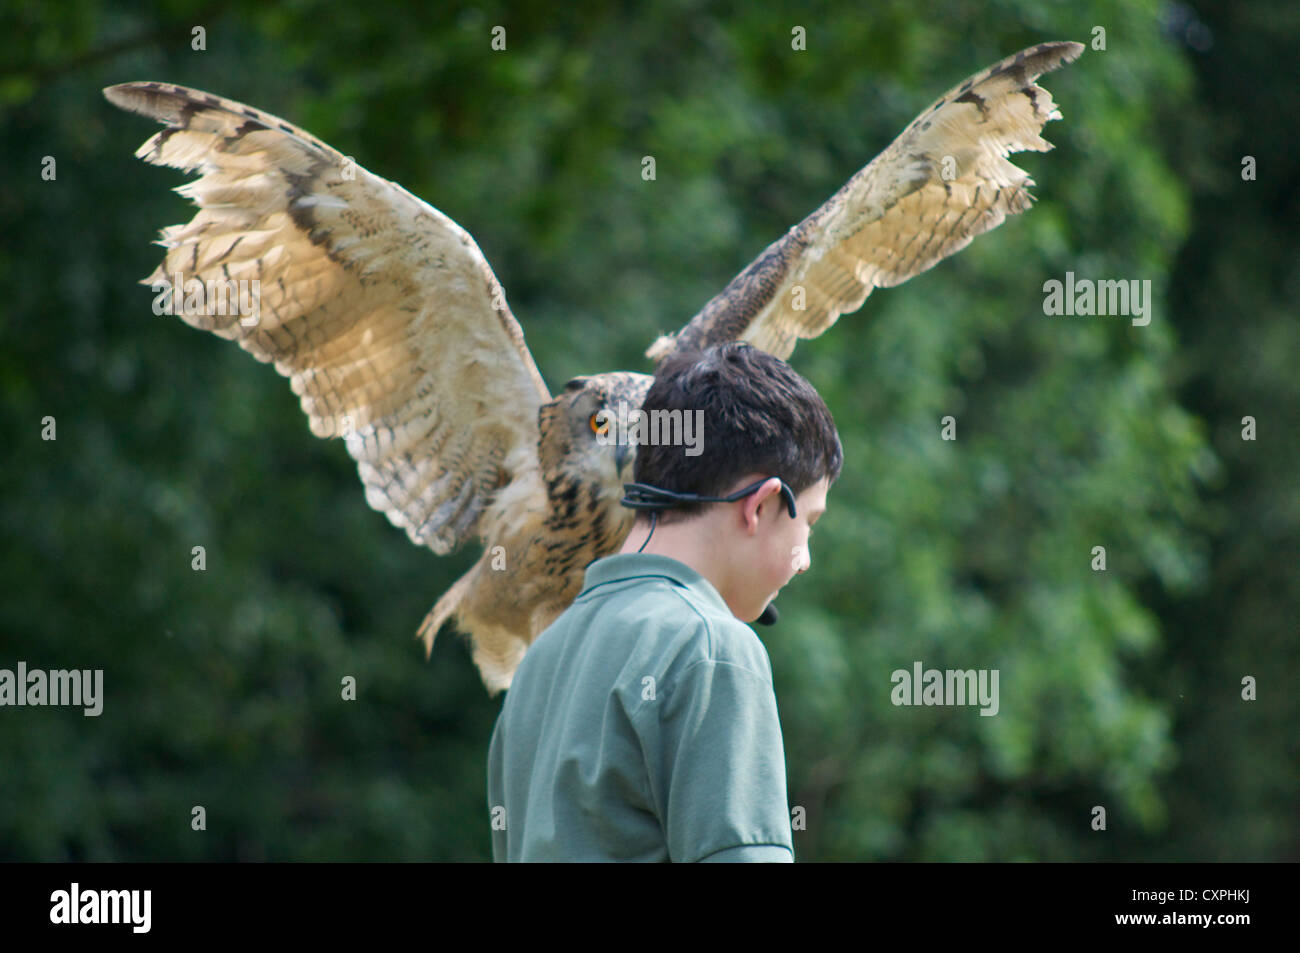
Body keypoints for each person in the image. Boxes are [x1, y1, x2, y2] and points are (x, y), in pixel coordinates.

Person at [487, 341, 843, 861]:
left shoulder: (541, 661)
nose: (805, 558)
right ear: (763, 505)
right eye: (808, 523)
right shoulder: (709, 647)